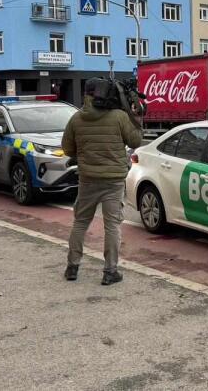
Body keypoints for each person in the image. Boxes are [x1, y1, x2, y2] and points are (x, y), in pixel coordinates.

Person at [62, 79, 142, 286]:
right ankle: (110, 271)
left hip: (87, 179)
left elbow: (68, 150)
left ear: (87, 95)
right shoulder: (119, 117)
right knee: (112, 225)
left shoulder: (76, 119)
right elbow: (135, 142)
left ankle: (72, 267)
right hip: (113, 181)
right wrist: (136, 117)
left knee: (80, 222)